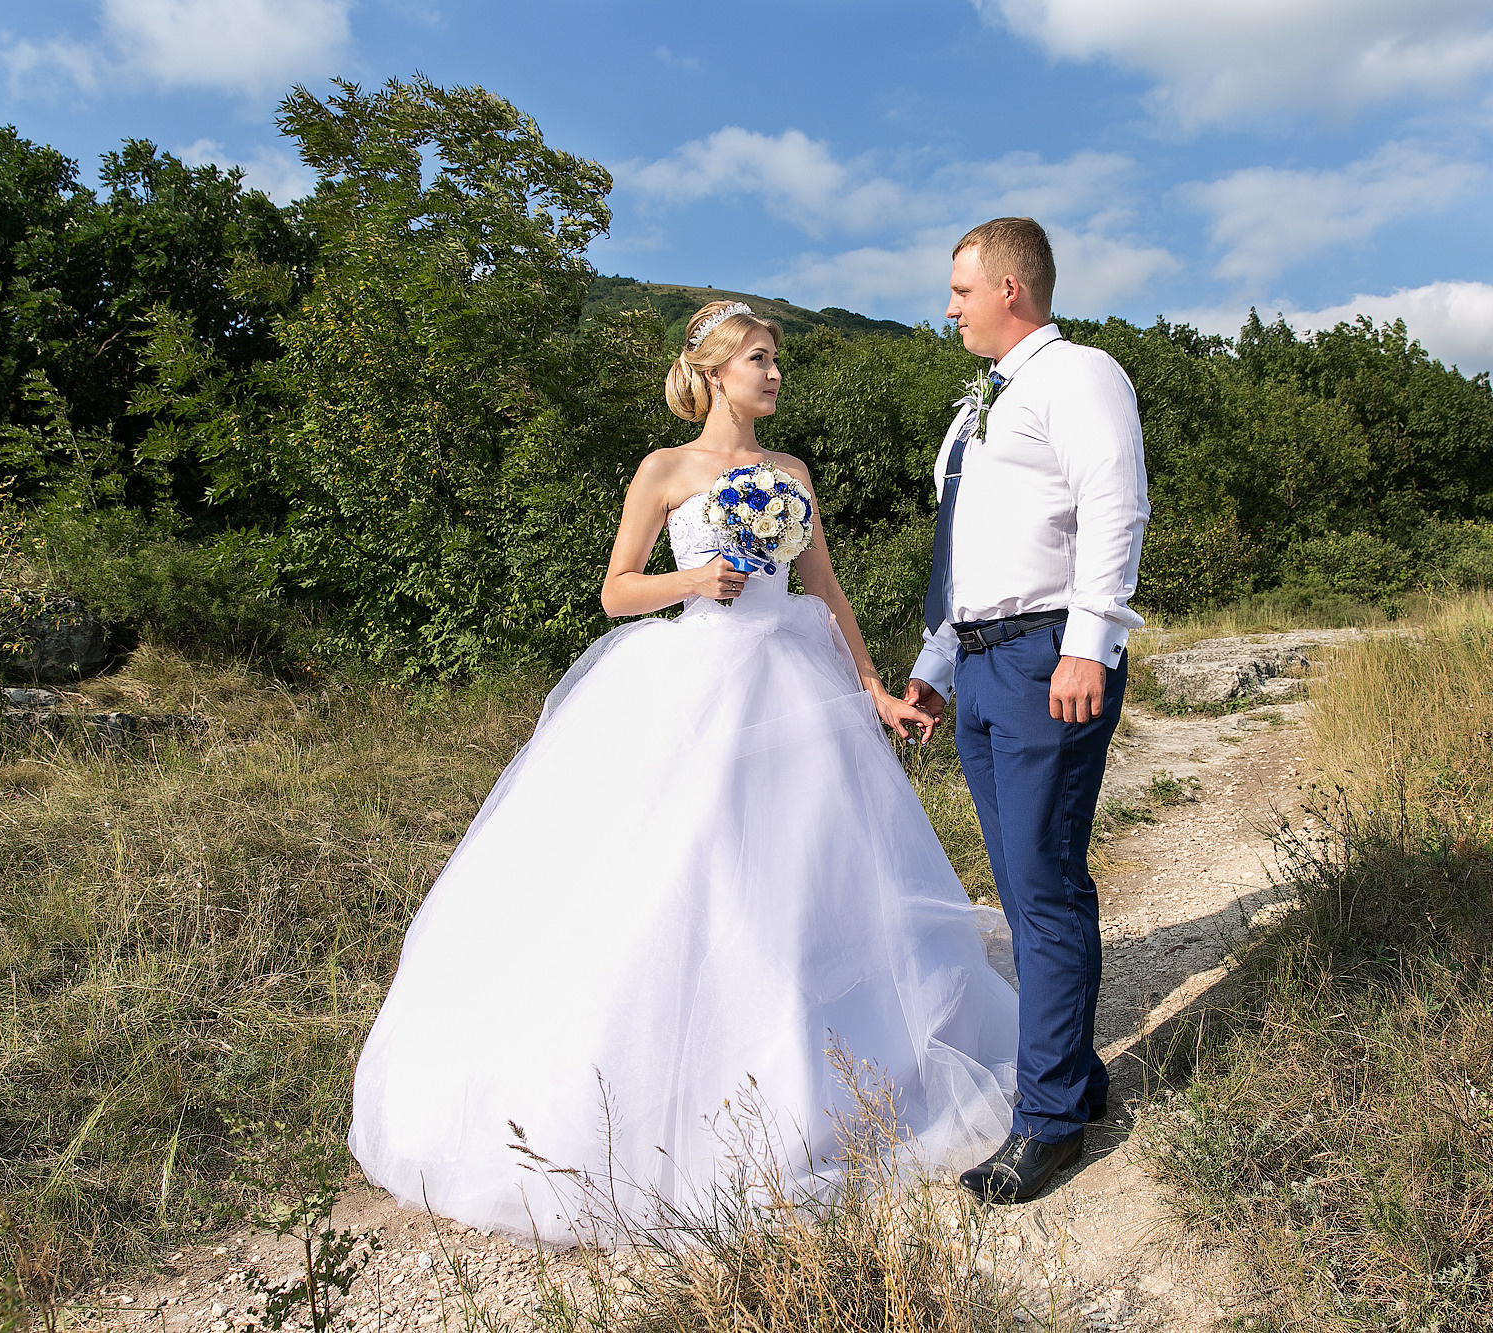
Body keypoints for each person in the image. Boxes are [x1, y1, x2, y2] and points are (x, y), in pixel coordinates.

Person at [348, 299, 1021, 1245]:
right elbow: (617, 590)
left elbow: (822, 588)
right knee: (692, 871)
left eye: (777, 356)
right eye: (758, 357)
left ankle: (823, 1084)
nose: (774, 371)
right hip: (698, 679)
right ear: (711, 372)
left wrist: (871, 686)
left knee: (804, 880)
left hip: (796, 686)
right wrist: (692, 582)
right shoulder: (666, 471)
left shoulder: (792, 473)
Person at [903, 218, 1150, 1204]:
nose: (948, 305)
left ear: (1010, 287)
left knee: (1041, 890)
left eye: (959, 289)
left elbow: (1114, 504)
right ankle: (1076, 1076)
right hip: (980, 662)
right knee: (1022, 889)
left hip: (1050, 658)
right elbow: (968, 551)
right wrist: (933, 664)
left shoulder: (1081, 373)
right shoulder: (978, 407)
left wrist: (1090, 641)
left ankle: (1046, 1120)